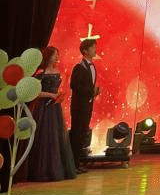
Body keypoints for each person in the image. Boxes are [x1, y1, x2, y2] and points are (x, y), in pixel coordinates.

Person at [17, 47, 77, 182]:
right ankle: (40, 170)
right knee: (43, 136)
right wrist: (51, 95)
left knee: (55, 137)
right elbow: (35, 92)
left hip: (54, 108)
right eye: (55, 55)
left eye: (57, 55)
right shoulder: (41, 73)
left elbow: (56, 90)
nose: (57, 57)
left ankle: (54, 169)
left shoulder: (57, 71)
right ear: (48, 56)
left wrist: (58, 96)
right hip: (43, 108)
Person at [69, 38, 99, 173]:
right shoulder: (79, 67)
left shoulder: (92, 66)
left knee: (82, 135)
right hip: (79, 106)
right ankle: (72, 165)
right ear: (85, 51)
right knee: (76, 134)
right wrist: (91, 91)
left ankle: (77, 163)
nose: (95, 50)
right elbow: (74, 86)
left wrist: (94, 92)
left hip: (87, 105)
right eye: (92, 47)